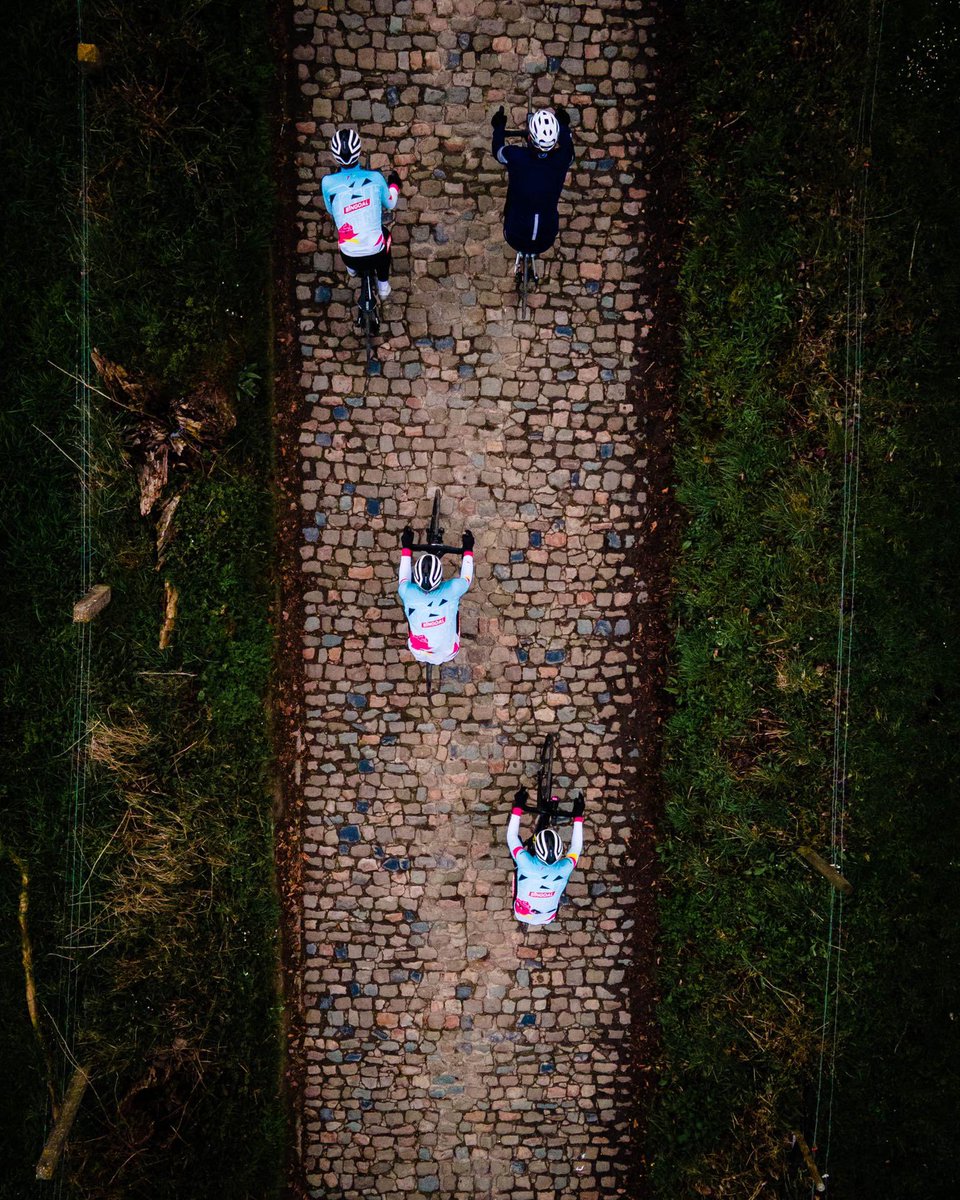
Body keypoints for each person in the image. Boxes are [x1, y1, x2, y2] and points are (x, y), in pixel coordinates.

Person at [321, 127, 401, 299]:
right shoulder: (375, 178)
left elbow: (331, 210)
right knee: (385, 236)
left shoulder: (327, 183)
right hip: (376, 253)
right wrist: (394, 185)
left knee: (343, 236)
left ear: (335, 157)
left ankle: (352, 270)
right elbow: (391, 203)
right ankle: (383, 286)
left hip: (349, 256)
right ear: (359, 151)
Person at [490, 105, 574, 264]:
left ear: (529, 137)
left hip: (515, 235)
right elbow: (567, 142)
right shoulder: (563, 159)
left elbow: (498, 151)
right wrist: (563, 124)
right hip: (546, 238)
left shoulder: (516, 157)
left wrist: (499, 127)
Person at [506, 788, 584, 926]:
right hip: (547, 917)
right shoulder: (563, 868)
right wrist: (578, 816)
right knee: (519, 859)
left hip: (524, 913)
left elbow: (512, 836)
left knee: (518, 863)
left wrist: (518, 806)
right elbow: (576, 848)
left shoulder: (528, 862)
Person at [398, 526, 474, 665]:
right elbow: (467, 579)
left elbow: (404, 578)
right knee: (454, 608)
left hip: (418, 651)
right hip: (449, 652)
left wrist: (406, 547)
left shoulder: (406, 591)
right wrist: (468, 549)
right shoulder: (452, 588)